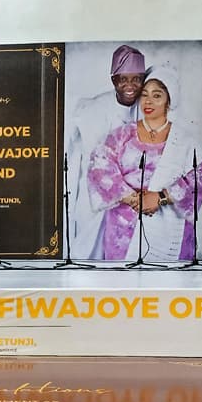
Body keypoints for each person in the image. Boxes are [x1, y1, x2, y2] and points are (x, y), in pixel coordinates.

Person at [86, 63, 202, 261]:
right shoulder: (122, 135)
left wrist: (160, 197)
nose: (148, 101)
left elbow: (200, 178)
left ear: (169, 101)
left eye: (157, 95)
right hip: (123, 230)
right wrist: (133, 198)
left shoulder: (185, 141)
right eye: (145, 94)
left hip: (170, 230)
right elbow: (100, 168)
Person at [66, 44, 147, 259]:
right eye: (124, 79)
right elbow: (95, 163)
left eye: (136, 79)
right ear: (114, 80)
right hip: (95, 197)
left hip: (132, 202)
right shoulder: (92, 110)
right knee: (90, 255)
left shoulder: (146, 108)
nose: (130, 86)